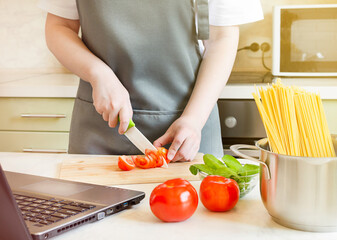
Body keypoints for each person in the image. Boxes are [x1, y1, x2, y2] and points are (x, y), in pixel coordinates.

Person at [38, 0, 263, 162]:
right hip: (101, 128)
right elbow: (59, 27)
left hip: (190, 129)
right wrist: (98, 73)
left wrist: (193, 120)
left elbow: (222, 38)